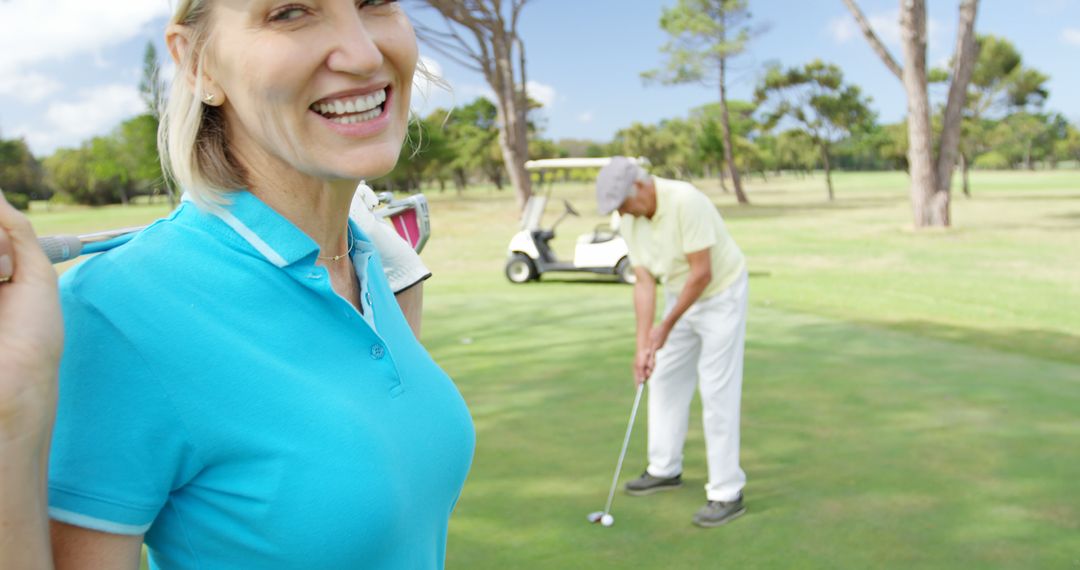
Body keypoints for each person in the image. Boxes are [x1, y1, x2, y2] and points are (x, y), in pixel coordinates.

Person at [1, 1, 475, 568]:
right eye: (291, 12)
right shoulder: (114, 313)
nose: (364, 54)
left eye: (373, 1)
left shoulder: (364, 259)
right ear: (198, 64)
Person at [596, 157, 749, 528]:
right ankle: (665, 468)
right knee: (661, 378)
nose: (622, 212)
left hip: (720, 294)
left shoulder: (686, 201)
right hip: (678, 293)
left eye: (623, 203)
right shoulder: (630, 220)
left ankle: (726, 492)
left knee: (717, 391)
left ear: (640, 187)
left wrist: (664, 327)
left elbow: (702, 273)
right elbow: (645, 283)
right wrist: (643, 345)